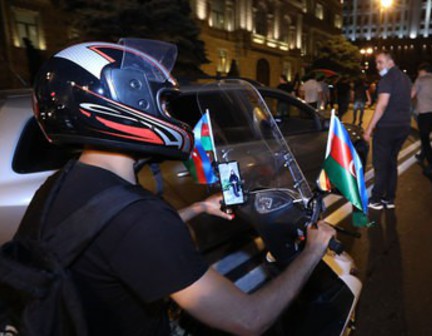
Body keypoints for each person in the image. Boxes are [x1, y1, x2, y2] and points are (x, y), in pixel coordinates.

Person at [19, 39, 336, 335]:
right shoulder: (141, 218)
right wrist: (312, 250)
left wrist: (197, 208)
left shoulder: (60, 185)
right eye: (163, 105)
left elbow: (105, 237)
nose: (170, 117)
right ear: (126, 106)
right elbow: (249, 319)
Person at [364, 51, 412, 210]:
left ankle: (376, 199)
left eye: (380, 62)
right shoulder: (405, 78)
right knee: (391, 162)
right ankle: (389, 198)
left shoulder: (387, 79)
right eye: (377, 63)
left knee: (381, 164)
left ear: (390, 62)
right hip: (403, 126)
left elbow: (382, 105)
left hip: (387, 128)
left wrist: (369, 129)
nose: (377, 66)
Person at [411, 62, 432, 173]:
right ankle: (422, 155)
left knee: (424, 138)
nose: (418, 74)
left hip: (424, 112)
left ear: (423, 71)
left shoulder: (420, 80)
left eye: (418, 72)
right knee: (425, 134)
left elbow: (411, 95)